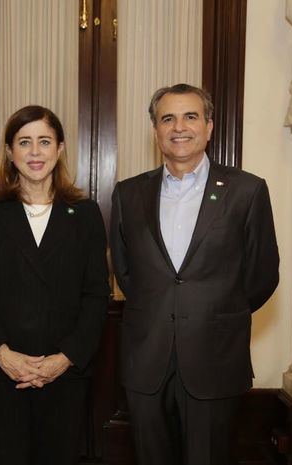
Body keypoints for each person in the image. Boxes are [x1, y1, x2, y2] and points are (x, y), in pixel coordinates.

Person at [110, 83, 279, 465]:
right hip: (147, 356)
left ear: (209, 126)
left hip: (214, 356)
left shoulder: (246, 191)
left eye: (190, 116)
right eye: (167, 118)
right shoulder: (128, 194)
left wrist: (213, 311)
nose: (179, 127)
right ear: (155, 130)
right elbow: (125, 271)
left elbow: (262, 274)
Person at [0, 105, 109, 465]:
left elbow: (95, 295)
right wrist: (2, 353)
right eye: (24, 142)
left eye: (44, 141)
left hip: (64, 375)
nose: (35, 152)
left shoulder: (85, 214)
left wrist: (64, 358)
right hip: (0, 373)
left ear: (59, 149)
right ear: (10, 152)